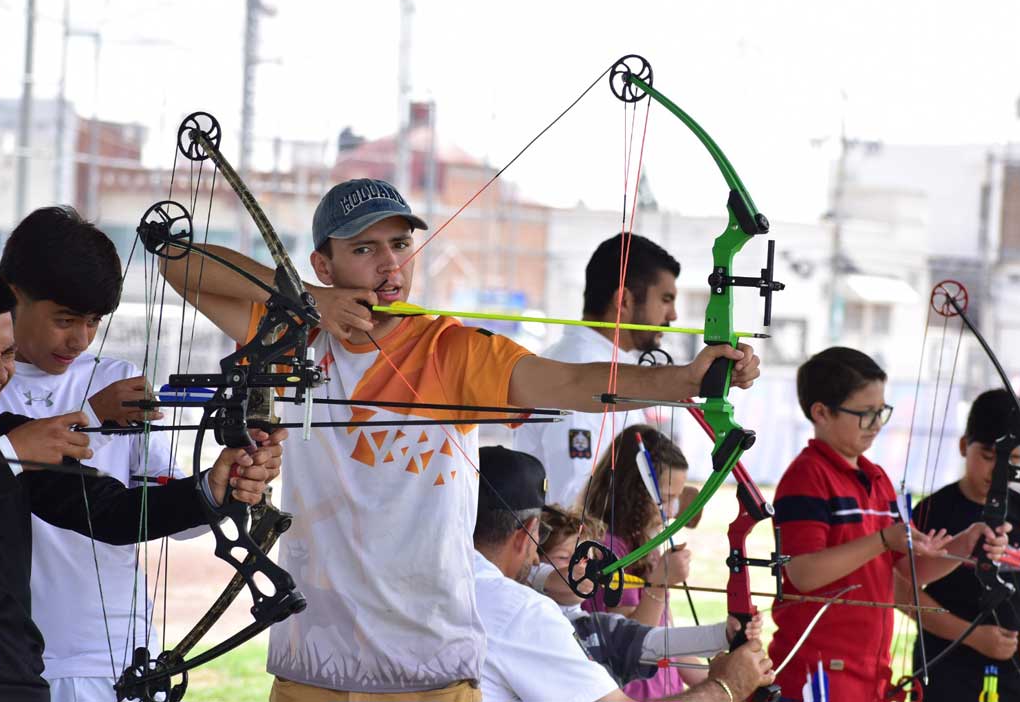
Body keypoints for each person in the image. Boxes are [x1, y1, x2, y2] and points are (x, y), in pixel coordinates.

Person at [154, 177, 761, 700]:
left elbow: (572, 381)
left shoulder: (452, 349)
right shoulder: (290, 341)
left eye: (399, 244)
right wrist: (310, 305)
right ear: (323, 264)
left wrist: (685, 379)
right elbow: (178, 261)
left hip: (429, 671)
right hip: (313, 665)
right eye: (363, 249)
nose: (389, 266)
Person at [0, 254, 282, 702]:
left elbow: (112, 513)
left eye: (8, 353)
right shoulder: (7, 447)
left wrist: (213, 486)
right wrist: (10, 455)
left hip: (9, 685)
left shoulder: (1, 437)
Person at [0, 206, 210, 701]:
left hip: (120, 653)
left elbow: (177, 516)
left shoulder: (116, 377)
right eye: (65, 319)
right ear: (12, 298)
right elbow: (3, 466)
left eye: (93, 321)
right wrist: (92, 416)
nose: (80, 338)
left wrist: (226, 485)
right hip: (18, 657)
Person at [769, 347, 1009, 702]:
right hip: (817, 676)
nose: (878, 424)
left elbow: (908, 572)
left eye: (881, 411)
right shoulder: (806, 477)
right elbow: (802, 573)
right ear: (821, 412)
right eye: (865, 414)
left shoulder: (877, 479)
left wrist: (966, 544)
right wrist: (883, 540)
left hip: (869, 674)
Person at [473, 445, 774, 702]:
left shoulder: (448, 578)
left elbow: (646, 640)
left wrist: (723, 634)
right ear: (526, 539)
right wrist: (726, 686)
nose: (578, 568)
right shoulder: (521, 612)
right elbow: (543, 583)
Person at [514, 233, 680, 506]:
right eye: (665, 299)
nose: (673, 315)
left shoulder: (612, 364)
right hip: (580, 547)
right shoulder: (577, 364)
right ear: (624, 301)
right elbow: (574, 502)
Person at [536, 501, 762, 700]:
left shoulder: (600, 628)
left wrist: (725, 634)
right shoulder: (527, 616)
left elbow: (660, 641)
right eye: (564, 558)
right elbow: (546, 577)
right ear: (534, 559)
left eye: (588, 559)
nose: (583, 567)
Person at [906, 389, 1020, 700]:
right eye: (987, 457)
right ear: (962, 445)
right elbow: (904, 591)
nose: (998, 471)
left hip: (1011, 676)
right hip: (946, 668)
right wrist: (972, 636)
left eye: (1012, 460)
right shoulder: (934, 511)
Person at [581, 424, 699, 697]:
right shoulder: (604, 550)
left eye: (676, 500)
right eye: (664, 498)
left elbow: (664, 635)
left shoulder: (645, 544)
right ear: (632, 489)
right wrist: (659, 584)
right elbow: (628, 642)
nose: (670, 512)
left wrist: (722, 676)